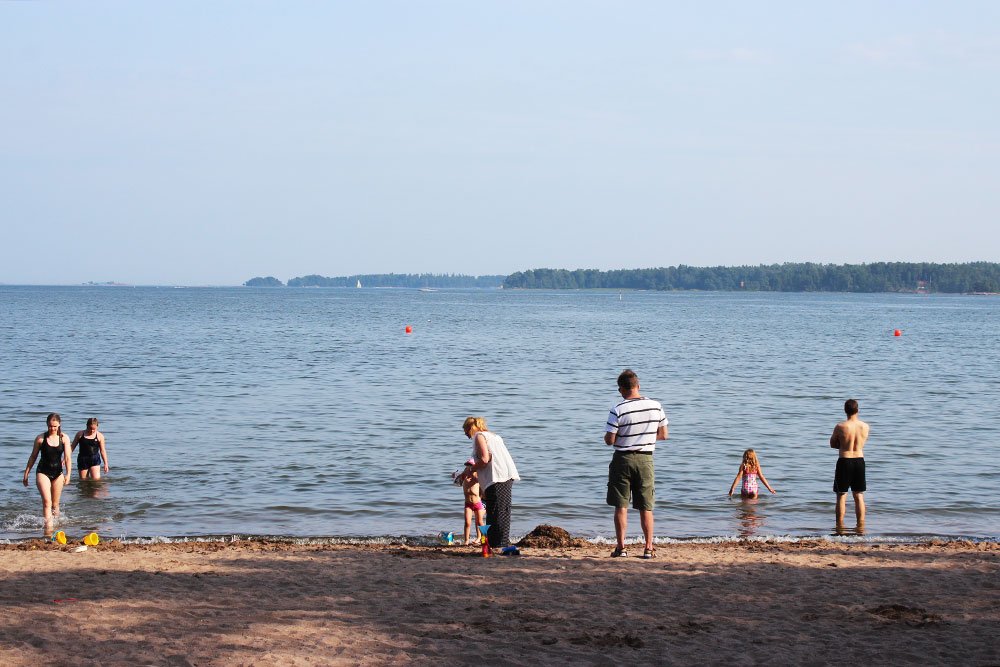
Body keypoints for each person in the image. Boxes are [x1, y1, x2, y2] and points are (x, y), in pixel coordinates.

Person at [604, 369, 668, 559]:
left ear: (621, 389)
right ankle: (648, 547)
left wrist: (621, 438)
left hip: (622, 459)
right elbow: (664, 435)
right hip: (646, 459)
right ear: (638, 386)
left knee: (620, 505)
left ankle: (621, 547)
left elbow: (609, 440)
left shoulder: (618, 409)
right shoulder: (656, 406)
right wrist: (645, 438)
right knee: (646, 506)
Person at [463, 417, 519, 551]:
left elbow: (484, 459)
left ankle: (495, 544)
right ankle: (501, 542)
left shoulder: (479, 436)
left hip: (496, 477)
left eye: (465, 430)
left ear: (470, 428)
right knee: (503, 510)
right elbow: (490, 457)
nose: (465, 434)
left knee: (495, 511)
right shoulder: (493, 436)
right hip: (506, 474)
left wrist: (471, 469)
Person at [22, 413, 72, 534]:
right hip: (43, 472)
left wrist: (68, 474)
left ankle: (57, 528)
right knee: (47, 502)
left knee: (55, 505)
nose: (52, 428)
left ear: (59, 424)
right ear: (47, 425)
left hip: (58, 474)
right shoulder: (41, 439)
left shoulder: (64, 438)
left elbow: (68, 458)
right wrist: (26, 473)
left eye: (55, 426)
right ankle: (48, 530)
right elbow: (33, 456)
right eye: (50, 426)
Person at [830, 399, 870, 527]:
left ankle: (840, 526)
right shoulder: (865, 426)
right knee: (859, 495)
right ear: (857, 410)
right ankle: (860, 526)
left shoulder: (840, 426)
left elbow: (832, 444)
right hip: (859, 460)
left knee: (841, 495)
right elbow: (862, 443)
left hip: (844, 460)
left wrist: (842, 445)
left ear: (845, 411)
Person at [453, 462, 486, 546]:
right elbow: (456, 479)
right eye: (467, 467)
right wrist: (455, 475)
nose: (469, 469)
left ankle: (482, 539)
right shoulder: (464, 476)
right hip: (468, 504)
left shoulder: (476, 477)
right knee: (467, 522)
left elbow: (482, 481)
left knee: (480, 522)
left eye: (471, 467)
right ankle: (466, 540)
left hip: (478, 503)